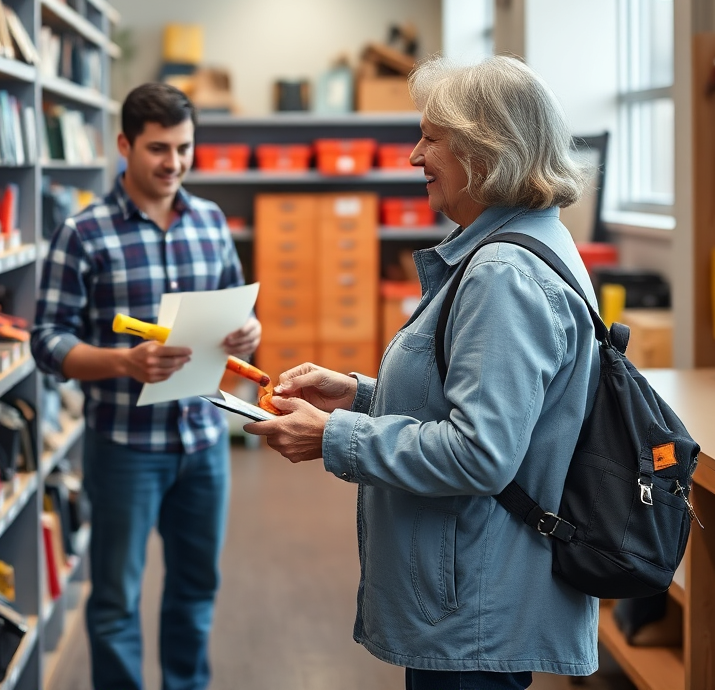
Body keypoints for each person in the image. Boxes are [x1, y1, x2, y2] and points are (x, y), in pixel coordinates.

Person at [247, 56, 600, 690]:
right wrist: (357, 394)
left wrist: (333, 436)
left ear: (486, 152)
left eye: (431, 138)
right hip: (477, 592)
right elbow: (486, 403)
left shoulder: (503, 277)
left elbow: (480, 453)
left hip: (473, 609)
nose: (415, 155)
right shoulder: (529, 243)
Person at [32, 82, 261, 690]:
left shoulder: (210, 220)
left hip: (204, 441)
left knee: (195, 591)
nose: (174, 163)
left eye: (184, 148)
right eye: (159, 148)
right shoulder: (83, 233)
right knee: (114, 600)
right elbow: (46, 341)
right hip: (125, 446)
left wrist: (247, 334)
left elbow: (239, 313)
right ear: (125, 145)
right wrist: (122, 363)